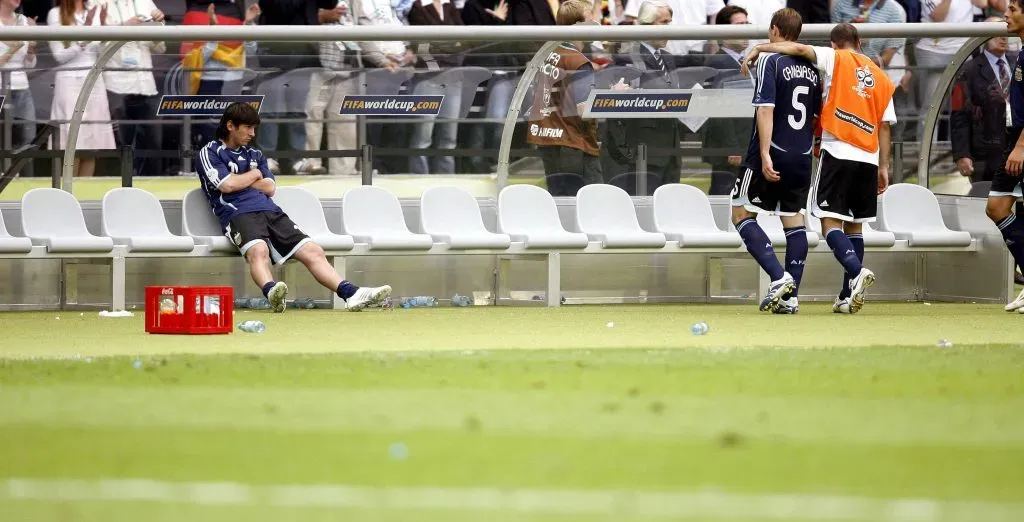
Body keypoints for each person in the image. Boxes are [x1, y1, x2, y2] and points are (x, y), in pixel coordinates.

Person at [743, 22, 897, 314]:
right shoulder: (880, 76)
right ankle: (844, 295)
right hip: (870, 156)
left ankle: (856, 270)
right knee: (855, 225)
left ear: (834, 43)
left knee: (828, 223)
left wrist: (761, 47)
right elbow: (886, 126)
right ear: (860, 43)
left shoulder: (836, 58)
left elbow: (799, 48)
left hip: (838, 149)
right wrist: (884, 166)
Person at [195, 102, 392, 313]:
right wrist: (253, 176)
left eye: (254, 128)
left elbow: (270, 187)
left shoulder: (256, 154)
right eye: (247, 128)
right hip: (237, 213)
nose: (252, 134)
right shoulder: (210, 152)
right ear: (231, 125)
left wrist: (240, 180)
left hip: (271, 210)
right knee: (258, 250)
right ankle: (272, 291)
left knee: (313, 250)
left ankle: (351, 294)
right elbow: (227, 185)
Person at [732, 8, 821, 314]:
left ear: (773, 30)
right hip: (802, 154)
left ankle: (778, 277)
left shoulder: (771, 59)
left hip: (772, 151)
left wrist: (766, 153)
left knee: (740, 213)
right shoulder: (812, 67)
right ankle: (790, 297)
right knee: (793, 218)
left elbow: (765, 109)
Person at [989, 0, 1024, 313]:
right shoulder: (1021, 51)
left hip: (1022, 143)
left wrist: (1022, 145)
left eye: (1013, 9)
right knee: (996, 208)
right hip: (1015, 140)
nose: (1006, 14)